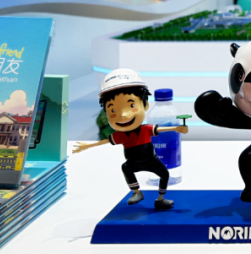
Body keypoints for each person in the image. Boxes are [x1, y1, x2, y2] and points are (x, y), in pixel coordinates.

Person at [72, 69, 189, 210]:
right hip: (133, 163)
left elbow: (159, 129)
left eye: (131, 105)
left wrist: (176, 128)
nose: (123, 115)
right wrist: (87, 146)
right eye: (113, 110)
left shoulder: (145, 129)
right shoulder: (121, 135)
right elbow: (106, 141)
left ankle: (160, 199)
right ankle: (137, 192)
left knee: (164, 174)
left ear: (145, 105)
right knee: (125, 168)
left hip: (151, 161)